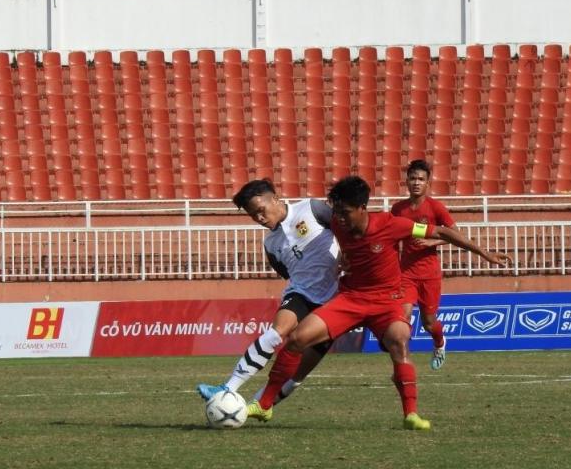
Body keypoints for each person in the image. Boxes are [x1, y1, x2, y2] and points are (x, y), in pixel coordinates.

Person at [249, 176, 510, 430]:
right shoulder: (338, 224)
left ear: (363, 208)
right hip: (351, 298)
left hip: (386, 301)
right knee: (297, 339)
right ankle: (264, 403)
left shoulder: (392, 224)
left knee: (400, 338)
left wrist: (484, 253)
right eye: (337, 211)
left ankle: (411, 414)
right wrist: (340, 260)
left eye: (345, 212)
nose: (339, 217)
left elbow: (441, 231)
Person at [196, 179, 338, 402]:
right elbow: (287, 273)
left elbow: (346, 230)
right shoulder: (270, 244)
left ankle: (264, 402)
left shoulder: (311, 208)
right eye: (253, 215)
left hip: (338, 294)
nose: (259, 219)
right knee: (276, 332)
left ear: (276, 199)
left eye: (261, 211)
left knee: (305, 360)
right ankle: (227, 388)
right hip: (302, 293)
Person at [392, 159, 458, 371]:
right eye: (412, 178)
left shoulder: (435, 207)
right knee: (403, 317)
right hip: (406, 274)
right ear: (406, 182)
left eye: (421, 179)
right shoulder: (398, 209)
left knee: (429, 324)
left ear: (428, 183)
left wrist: (432, 241)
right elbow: (391, 237)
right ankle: (404, 362)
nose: (416, 182)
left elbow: (455, 234)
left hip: (429, 275)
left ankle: (440, 342)